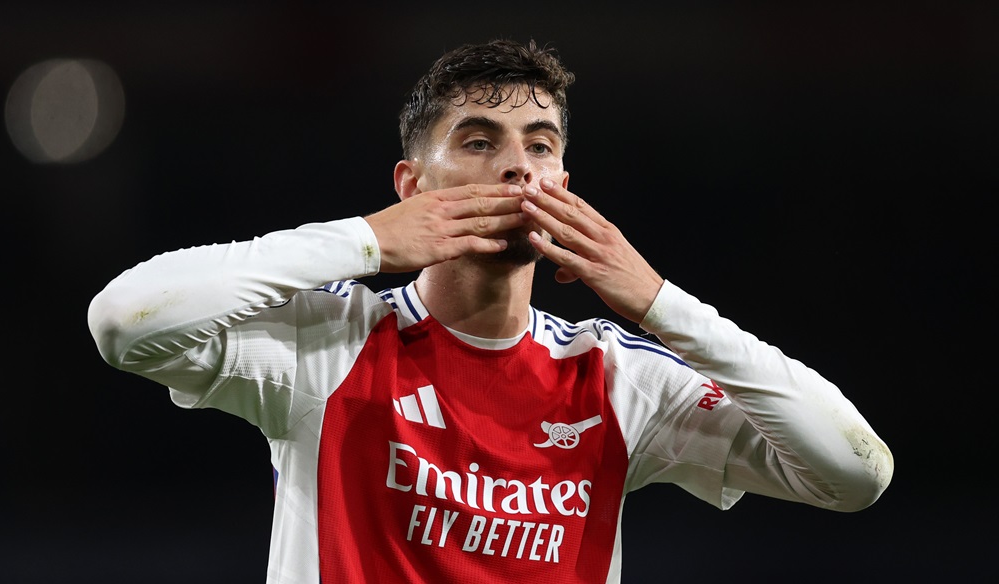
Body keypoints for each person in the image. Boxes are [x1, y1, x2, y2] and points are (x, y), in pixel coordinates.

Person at [88, 38, 893, 584]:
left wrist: (659, 301)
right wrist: (365, 242)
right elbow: (124, 321)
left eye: (540, 146)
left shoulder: (617, 381)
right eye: (478, 141)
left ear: (563, 189)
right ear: (412, 184)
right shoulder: (327, 345)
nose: (516, 166)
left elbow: (854, 474)